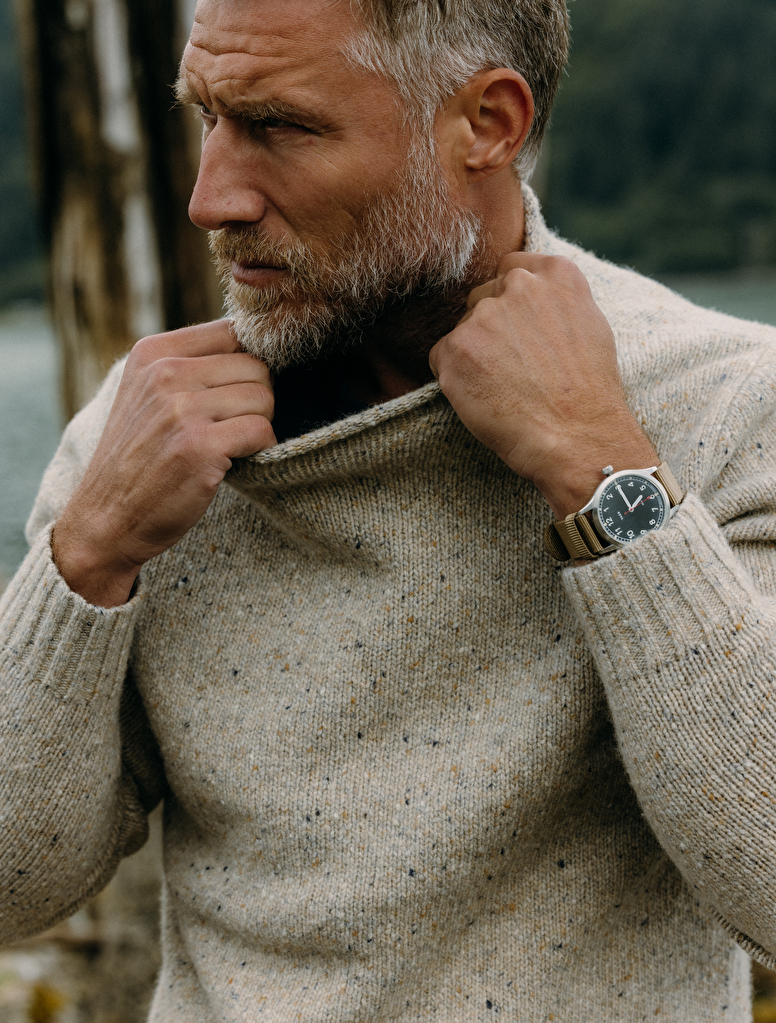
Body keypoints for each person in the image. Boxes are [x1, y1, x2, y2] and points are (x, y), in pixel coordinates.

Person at [2, 0, 776, 1019]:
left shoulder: (725, 405)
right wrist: (86, 555)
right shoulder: (147, 438)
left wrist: (600, 470)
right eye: (207, 117)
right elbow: (12, 885)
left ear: (487, 124)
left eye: (276, 125)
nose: (210, 198)